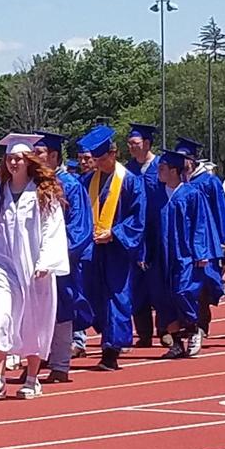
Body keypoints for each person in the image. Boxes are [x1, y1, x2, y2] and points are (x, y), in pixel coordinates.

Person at [0, 134, 69, 400]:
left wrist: (45, 262)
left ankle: (32, 377)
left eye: (18, 158)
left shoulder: (44, 192)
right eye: (9, 158)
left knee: (34, 320)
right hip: (2, 265)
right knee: (0, 316)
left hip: (34, 267)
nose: (14, 163)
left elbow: (52, 229)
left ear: (29, 161)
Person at [76, 126, 144, 371]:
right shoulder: (87, 180)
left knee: (117, 296)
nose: (99, 163)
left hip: (117, 250)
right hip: (93, 249)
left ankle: (111, 350)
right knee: (94, 296)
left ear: (114, 153)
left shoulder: (130, 182)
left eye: (103, 158)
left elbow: (138, 218)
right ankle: (106, 336)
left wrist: (114, 233)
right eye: (96, 159)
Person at [35, 131, 92, 386]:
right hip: (35, 261)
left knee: (62, 309)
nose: (33, 157)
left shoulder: (70, 186)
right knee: (37, 311)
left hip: (60, 262)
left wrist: (55, 254)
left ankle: (60, 364)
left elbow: (80, 229)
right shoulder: (32, 184)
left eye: (39, 153)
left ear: (54, 156)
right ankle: (38, 359)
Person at [172, 138, 225, 346]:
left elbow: (221, 211)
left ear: (193, 159)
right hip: (183, 243)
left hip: (207, 242)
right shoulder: (179, 182)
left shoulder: (209, 182)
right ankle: (187, 324)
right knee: (184, 285)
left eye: (185, 159)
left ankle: (201, 324)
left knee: (204, 285)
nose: (183, 163)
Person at [155, 151, 218, 357]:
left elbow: (200, 225)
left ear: (174, 171)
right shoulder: (157, 194)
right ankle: (176, 343)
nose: (159, 172)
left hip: (185, 255)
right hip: (162, 255)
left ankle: (193, 329)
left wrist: (201, 253)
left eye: (162, 168)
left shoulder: (191, 194)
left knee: (183, 292)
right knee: (165, 299)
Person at [121, 124, 166, 349]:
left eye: (135, 144)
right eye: (129, 144)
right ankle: (144, 333)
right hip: (135, 233)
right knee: (136, 285)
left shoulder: (161, 166)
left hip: (159, 232)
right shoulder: (127, 170)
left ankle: (165, 328)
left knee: (160, 282)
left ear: (147, 144)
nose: (131, 148)